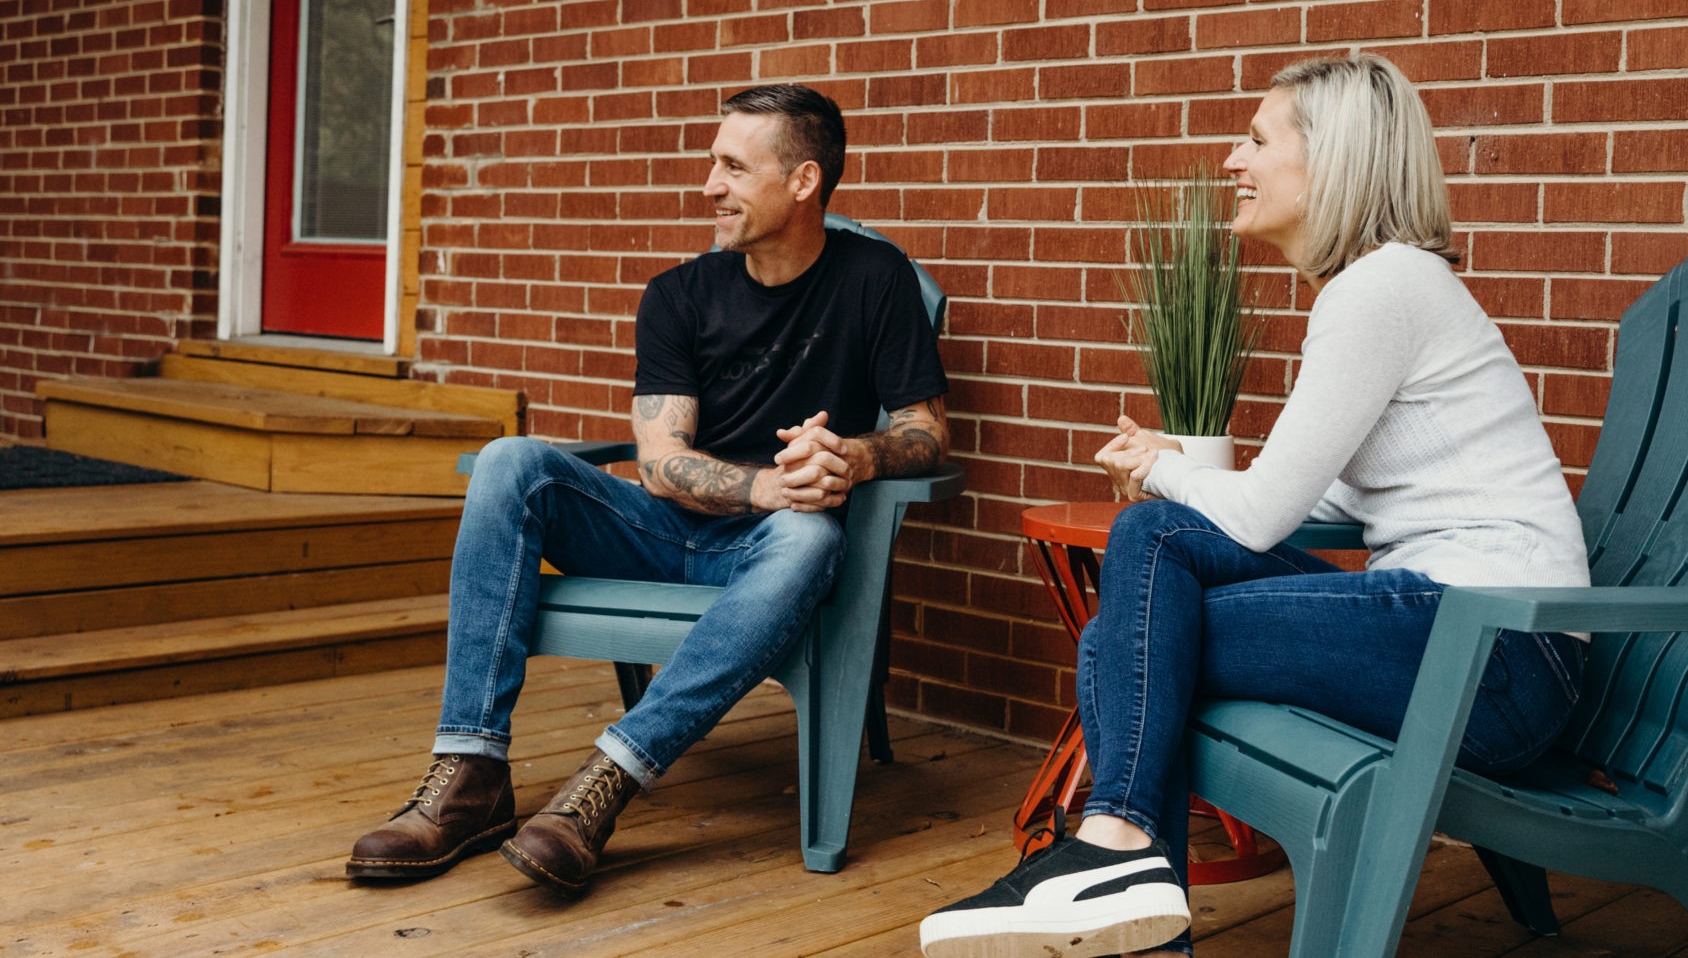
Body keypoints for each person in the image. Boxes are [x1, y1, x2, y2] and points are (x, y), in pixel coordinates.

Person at [919, 54, 1590, 958]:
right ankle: (1126, 878)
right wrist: (1173, 467)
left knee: (1134, 613)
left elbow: (1266, 512)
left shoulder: (1380, 288)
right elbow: (1334, 489)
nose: (1233, 159)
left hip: (1494, 656)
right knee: (1144, 593)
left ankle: (1114, 854)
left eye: (1257, 139)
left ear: (1336, 160)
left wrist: (1160, 472)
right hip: (1465, 642)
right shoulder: (1393, 285)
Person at [347, 84, 949, 898]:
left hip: (778, 553)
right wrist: (767, 484)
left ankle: (605, 783)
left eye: (733, 166)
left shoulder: (877, 279)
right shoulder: (680, 294)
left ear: (803, 183)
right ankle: (471, 772)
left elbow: (925, 430)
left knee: (812, 534)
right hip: (662, 531)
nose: (709, 185)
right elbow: (661, 463)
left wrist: (856, 456)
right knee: (508, 461)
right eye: (713, 163)